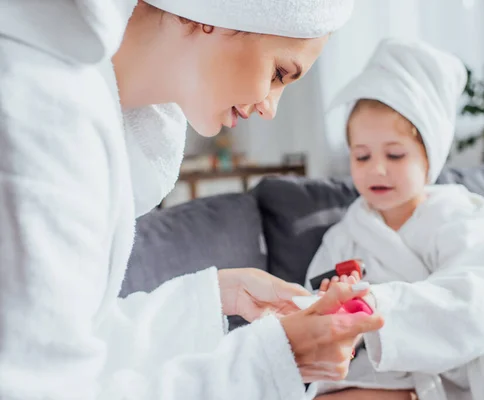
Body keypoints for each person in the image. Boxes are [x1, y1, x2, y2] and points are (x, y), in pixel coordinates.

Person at [0, 1, 385, 399]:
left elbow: (75, 342)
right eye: (278, 72)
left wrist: (216, 299)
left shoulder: (81, 107)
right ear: (212, 13)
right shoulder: (43, 114)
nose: (270, 108)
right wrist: (274, 363)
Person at [304, 38, 484, 400]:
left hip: (480, 352)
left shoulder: (455, 214)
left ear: (430, 157)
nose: (377, 168)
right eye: (362, 156)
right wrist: (332, 312)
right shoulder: (345, 235)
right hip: (394, 367)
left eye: (395, 155)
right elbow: (314, 309)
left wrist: (380, 305)